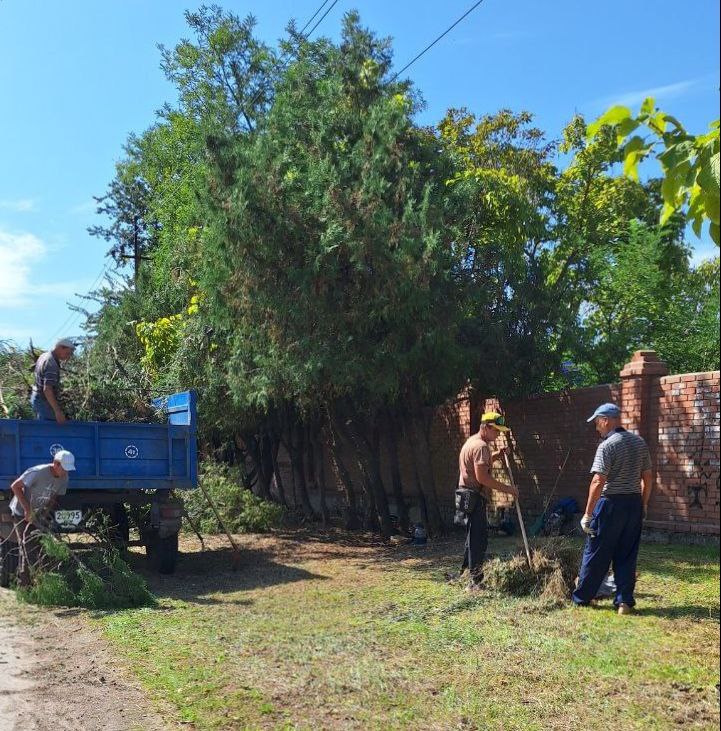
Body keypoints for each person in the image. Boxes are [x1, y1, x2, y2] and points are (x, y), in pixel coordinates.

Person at [572, 403, 653, 614]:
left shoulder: (607, 445)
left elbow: (598, 481)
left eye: (597, 423)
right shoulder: (639, 443)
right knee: (627, 554)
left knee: (596, 552)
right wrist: (643, 503)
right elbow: (648, 477)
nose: (596, 428)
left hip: (611, 505)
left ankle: (582, 598)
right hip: (633, 503)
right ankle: (624, 602)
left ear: (606, 420)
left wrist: (588, 514)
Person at [456, 412, 519, 588]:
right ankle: (475, 582)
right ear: (487, 427)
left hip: (465, 494)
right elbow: (482, 477)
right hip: (474, 496)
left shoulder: (472, 442)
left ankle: (464, 573)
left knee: (472, 537)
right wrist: (509, 489)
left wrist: (498, 454)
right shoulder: (481, 446)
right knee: (478, 539)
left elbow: (481, 463)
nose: (498, 435)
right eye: (496, 431)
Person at [9, 450, 76, 586]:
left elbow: (54, 496)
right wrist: (28, 510)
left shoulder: (64, 478)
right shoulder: (38, 472)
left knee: (41, 546)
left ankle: (39, 581)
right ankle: (25, 584)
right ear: (56, 464)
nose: (65, 472)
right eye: (64, 468)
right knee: (27, 546)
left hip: (38, 514)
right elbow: (15, 486)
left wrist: (44, 514)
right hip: (21, 513)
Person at [30, 338, 75, 423]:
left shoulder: (44, 355)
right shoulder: (51, 363)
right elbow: (47, 390)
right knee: (57, 427)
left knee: (43, 429)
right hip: (42, 400)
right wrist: (57, 411)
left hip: (36, 397)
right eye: (67, 353)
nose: (68, 356)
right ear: (61, 348)